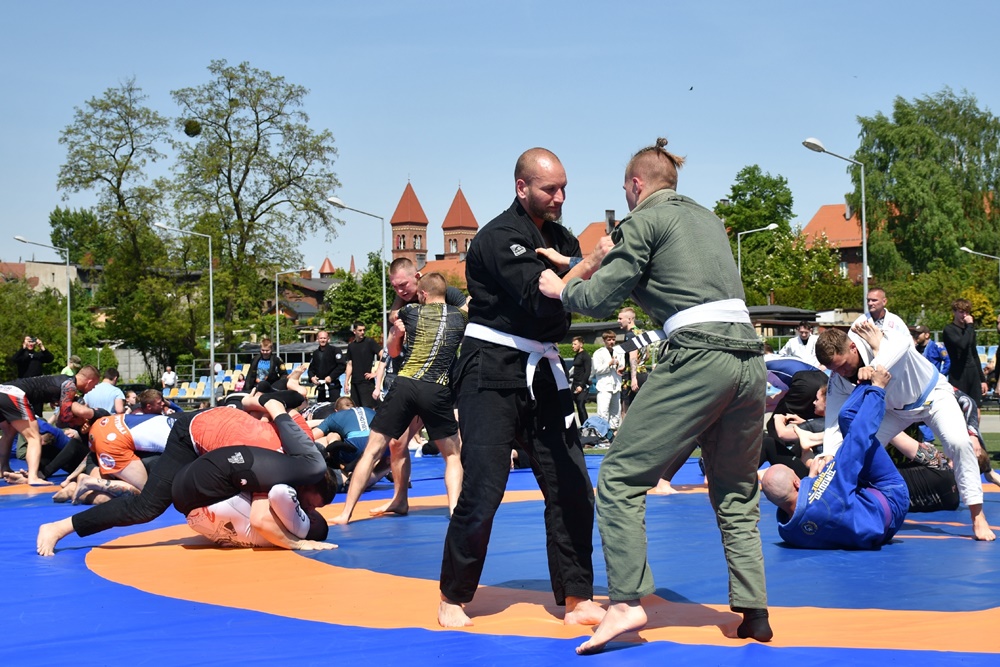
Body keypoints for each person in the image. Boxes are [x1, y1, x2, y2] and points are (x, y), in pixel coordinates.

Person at [539, 137, 772, 652]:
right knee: (736, 489)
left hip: (699, 356)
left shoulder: (642, 219)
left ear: (636, 184)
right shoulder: (707, 219)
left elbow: (602, 295)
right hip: (749, 360)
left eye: (626, 191)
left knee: (620, 477)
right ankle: (755, 611)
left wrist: (563, 287)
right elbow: (665, 267)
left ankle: (625, 602)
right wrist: (576, 258)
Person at [439, 147, 604, 629]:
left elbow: (582, 301)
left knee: (572, 484)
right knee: (485, 486)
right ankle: (453, 595)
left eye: (564, 188)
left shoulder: (562, 239)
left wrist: (585, 266)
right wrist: (590, 263)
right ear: (522, 187)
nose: (560, 197)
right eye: (549, 189)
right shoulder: (497, 237)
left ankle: (577, 597)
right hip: (490, 367)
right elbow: (542, 296)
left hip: (543, 367)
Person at [36, 390, 325, 556]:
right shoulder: (277, 469)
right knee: (147, 506)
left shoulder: (300, 434)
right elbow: (262, 519)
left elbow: (255, 401)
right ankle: (60, 527)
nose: (308, 510)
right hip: (190, 437)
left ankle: (88, 488)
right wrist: (297, 542)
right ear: (307, 482)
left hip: (212, 422)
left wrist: (254, 407)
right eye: (312, 506)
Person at [815, 321, 994, 541]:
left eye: (843, 365)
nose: (842, 372)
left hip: (932, 396)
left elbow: (903, 343)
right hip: (893, 412)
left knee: (959, 442)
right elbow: (834, 419)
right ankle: (853, 509)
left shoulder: (880, 337)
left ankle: (977, 515)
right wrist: (828, 453)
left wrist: (875, 363)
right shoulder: (838, 377)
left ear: (852, 347)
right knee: (855, 449)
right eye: (835, 369)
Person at [331, 273, 465, 524]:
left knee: (372, 451)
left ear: (421, 293)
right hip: (436, 388)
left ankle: (345, 513)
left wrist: (397, 317)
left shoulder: (410, 311)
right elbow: (466, 304)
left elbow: (394, 321)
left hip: (405, 385)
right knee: (452, 455)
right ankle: (454, 511)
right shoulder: (461, 316)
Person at [762, 365, 908, 549]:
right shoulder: (830, 487)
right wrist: (875, 388)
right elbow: (857, 439)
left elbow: (813, 508)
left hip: (873, 533)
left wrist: (811, 480)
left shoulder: (789, 532)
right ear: (797, 483)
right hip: (892, 499)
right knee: (847, 417)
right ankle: (865, 379)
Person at [1, 366, 100, 484]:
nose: (93, 389)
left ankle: (2, 468)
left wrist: (58, 402)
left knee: (9, 433)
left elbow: (44, 390)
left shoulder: (62, 380)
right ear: (89, 381)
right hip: (15, 394)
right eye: (94, 385)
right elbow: (64, 418)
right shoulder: (70, 386)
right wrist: (76, 413)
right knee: (34, 437)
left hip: (3, 390)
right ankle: (33, 477)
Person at [184, 479, 334, 550]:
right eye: (311, 505)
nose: (309, 509)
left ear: (312, 521)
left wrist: (264, 480)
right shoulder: (280, 535)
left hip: (201, 498)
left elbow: (279, 492)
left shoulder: (300, 526)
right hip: (196, 519)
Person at [387, 257, 470, 325]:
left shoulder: (446, 293)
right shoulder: (402, 302)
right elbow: (393, 317)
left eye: (403, 284)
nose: (399, 291)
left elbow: (467, 316)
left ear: (417, 276)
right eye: (395, 287)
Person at [942, 298, 988, 408]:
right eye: (961, 312)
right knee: (960, 407)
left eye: (967, 312)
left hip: (972, 371)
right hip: (958, 374)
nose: (964, 315)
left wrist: (982, 380)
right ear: (954, 312)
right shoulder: (949, 329)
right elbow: (962, 344)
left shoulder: (969, 330)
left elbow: (974, 354)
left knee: (976, 406)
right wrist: (970, 326)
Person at [617, 307, 649, 419]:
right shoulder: (642, 333)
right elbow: (646, 355)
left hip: (632, 376)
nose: (618, 321)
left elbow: (633, 357)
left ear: (629, 319)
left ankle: (625, 430)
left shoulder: (630, 335)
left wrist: (633, 377)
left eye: (620, 318)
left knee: (625, 410)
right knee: (640, 408)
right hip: (643, 373)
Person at [343, 322, 381, 409]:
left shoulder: (369, 342)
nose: (362, 332)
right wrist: (346, 382)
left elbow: (383, 354)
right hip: (354, 382)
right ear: (354, 331)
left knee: (370, 408)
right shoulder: (351, 346)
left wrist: (376, 373)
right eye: (360, 330)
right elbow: (350, 364)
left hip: (366, 382)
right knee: (355, 408)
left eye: (364, 330)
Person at [591, 331, 622, 430]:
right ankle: (602, 432)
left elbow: (622, 367)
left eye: (613, 339)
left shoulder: (619, 352)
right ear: (604, 341)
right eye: (609, 340)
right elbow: (597, 369)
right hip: (604, 386)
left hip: (616, 386)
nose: (611, 342)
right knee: (603, 412)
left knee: (616, 412)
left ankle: (613, 432)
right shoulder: (599, 353)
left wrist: (619, 366)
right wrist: (609, 363)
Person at [309, 331, 346, 402]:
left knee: (334, 406)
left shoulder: (335, 350)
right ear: (317, 339)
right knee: (321, 407)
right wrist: (312, 377)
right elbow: (311, 369)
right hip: (321, 387)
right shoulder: (315, 353)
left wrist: (331, 377)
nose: (323, 340)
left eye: (324, 338)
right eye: (321, 338)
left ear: (328, 339)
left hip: (333, 386)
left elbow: (342, 366)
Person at [569, 336, 592, 425]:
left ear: (581, 345)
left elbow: (587, 372)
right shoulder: (577, 355)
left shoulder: (585, 356)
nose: (573, 346)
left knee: (581, 406)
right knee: (572, 406)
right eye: (572, 344)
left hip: (581, 385)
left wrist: (581, 385)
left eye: (575, 344)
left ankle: (585, 426)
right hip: (574, 384)